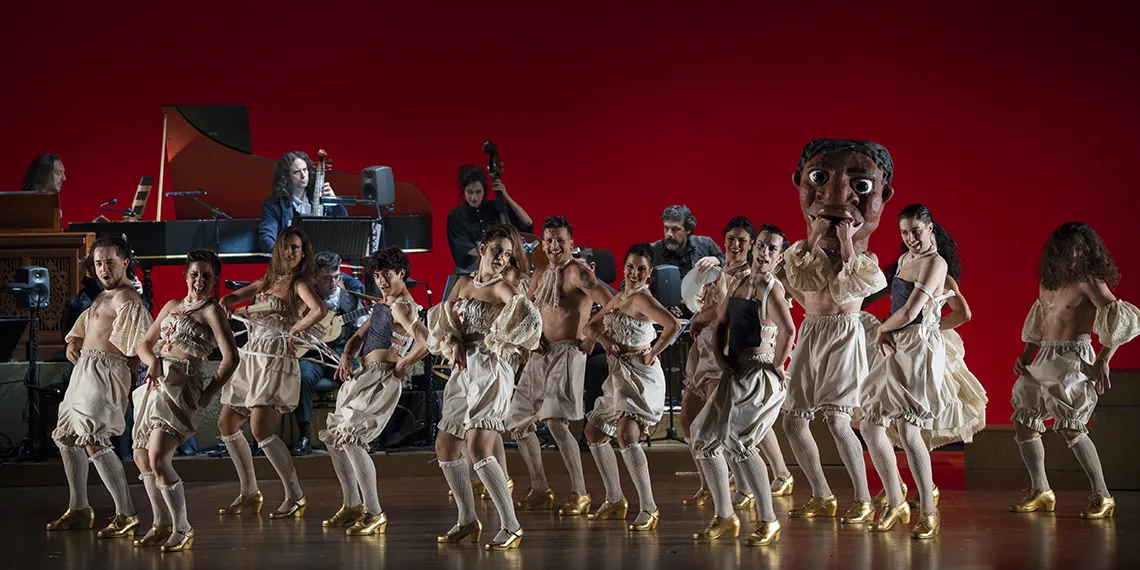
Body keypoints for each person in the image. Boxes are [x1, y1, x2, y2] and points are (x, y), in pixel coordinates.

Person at [780, 138, 893, 524]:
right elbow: (797, 279)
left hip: (844, 333)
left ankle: (862, 496)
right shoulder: (802, 252)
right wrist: (813, 236)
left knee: (838, 419)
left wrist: (845, 241)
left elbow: (855, 286)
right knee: (794, 419)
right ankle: (821, 493)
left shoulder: (865, 260)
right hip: (812, 331)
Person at [1009, 222, 1140, 519]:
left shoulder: (1089, 282)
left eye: (1080, 248)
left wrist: (1104, 359)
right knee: (1024, 420)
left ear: (1087, 251)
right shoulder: (1048, 282)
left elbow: (1119, 317)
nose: (1073, 254)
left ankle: (1103, 495)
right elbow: (1041, 321)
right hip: (1044, 356)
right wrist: (1027, 352)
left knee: (1071, 425)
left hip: (1073, 357)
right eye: (1068, 248)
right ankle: (1041, 490)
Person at [428, 225, 541, 551]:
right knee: (446, 446)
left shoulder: (503, 288)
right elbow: (444, 321)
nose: (502, 258)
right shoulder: (463, 283)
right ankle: (467, 520)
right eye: (497, 251)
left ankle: (511, 525)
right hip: (463, 371)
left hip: (491, 370)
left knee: (478, 447)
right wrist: (451, 342)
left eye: (507, 254)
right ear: (482, 249)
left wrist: (500, 341)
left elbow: (529, 320)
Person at [689, 223, 796, 546]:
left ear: (779, 258)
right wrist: (722, 360)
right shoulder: (739, 282)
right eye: (761, 245)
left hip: (758, 374)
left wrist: (776, 365)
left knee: (741, 443)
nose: (763, 252)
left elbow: (788, 331)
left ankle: (768, 520)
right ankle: (725, 516)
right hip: (734, 371)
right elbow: (722, 322)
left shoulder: (771, 288)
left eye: (771, 249)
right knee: (703, 437)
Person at [859, 204, 957, 539]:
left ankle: (929, 511)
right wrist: (886, 331)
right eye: (904, 232)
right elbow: (898, 306)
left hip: (914, 347)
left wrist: (882, 329)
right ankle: (896, 500)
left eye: (916, 230)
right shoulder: (904, 261)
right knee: (871, 423)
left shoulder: (936, 263)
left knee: (908, 428)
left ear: (931, 228)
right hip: (896, 342)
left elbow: (913, 311)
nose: (910, 238)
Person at [505, 216, 613, 516]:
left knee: (555, 421)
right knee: (516, 420)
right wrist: (532, 336)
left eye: (560, 240)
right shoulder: (539, 273)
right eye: (549, 240)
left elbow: (611, 302)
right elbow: (527, 309)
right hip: (541, 353)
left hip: (569, 352)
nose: (554, 246)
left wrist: (592, 334)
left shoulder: (579, 272)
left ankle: (580, 492)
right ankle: (540, 488)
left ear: (571, 243)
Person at [131, 250, 239, 551]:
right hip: (155, 382)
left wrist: (208, 393)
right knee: (141, 457)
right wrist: (152, 361)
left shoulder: (212, 311)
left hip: (182, 385)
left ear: (215, 280)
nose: (199, 281)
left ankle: (183, 527)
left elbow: (231, 358)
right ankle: (160, 522)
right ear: (185, 275)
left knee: (158, 458)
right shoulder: (172, 306)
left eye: (206, 276)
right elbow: (143, 344)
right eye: (194, 274)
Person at [217, 227, 328, 518]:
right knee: (227, 423)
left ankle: (295, 495)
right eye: (285, 247)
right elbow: (234, 297)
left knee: (260, 429)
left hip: (275, 357)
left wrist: (295, 330)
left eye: (295, 247)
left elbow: (319, 310)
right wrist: (227, 302)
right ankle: (249, 492)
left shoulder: (298, 283)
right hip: (252, 355)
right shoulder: (268, 281)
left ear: (303, 252)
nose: (290, 252)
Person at [47, 236, 153, 538]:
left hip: (106, 371)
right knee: (67, 437)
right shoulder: (103, 296)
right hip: (85, 370)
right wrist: (75, 341)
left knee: (94, 439)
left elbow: (140, 343)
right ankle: (79, 507)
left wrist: (132, 376)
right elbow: (88, 326)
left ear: (124, 263)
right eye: (98, 263)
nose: (104, 268)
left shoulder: (126, 298)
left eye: (109, 262)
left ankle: (126, 513)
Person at [320, 247, 430, 536]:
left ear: (401, 273)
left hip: (382, 380)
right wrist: (345, 354)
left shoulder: (403, 307)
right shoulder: (383, 304)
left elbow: (426, 341)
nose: (381, 281)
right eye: (378, 275)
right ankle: (352, 504)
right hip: (363, 376)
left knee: (352, 439)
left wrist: (405, 361)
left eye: (387, 275)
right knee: (335, 439)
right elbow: (358, 336)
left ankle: (374, 512)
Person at [582, 243, 681, 531]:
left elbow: (673, 325)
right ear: (624, 268)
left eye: (640, 269)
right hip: (618, 373)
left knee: (627, 434)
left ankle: (649, 506)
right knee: (593, 431)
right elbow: (590, 328)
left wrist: (653, 353)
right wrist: (605, 341)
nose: (634, 273)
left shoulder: (642, 299)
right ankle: (614, 497)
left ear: (648, 273)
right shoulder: (619, 297)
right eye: (630, 267)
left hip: (639, 374)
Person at [682, 217, 764, 507]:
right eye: (731, 238)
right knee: (688, 422)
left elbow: (721, 310)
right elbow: (699, 300)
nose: (736, 244)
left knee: (720, 427)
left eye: (742, 240)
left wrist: (700, 316)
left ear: (751, 244)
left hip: (723, 350)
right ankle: (707, 483)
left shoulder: (747, 275)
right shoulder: (718, 270)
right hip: (701, 349)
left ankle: (742, 488)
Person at [292, 251, 367, 455]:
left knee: (361, 378)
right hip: (313, 356)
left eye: (336, 277)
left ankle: (356, 434)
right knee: (303, 377)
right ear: (315, 276)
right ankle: (305, 435)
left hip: (341, 357)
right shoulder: (304, 297)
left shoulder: (351, 300)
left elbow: (363, 330)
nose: (333, 283)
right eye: (326, 278)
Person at [446, 164, 534, 273]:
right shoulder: (455, 216)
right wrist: (492, 259)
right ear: (463, 191)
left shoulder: (496, 207)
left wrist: (505, 195)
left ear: (484, 191)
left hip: (502, 266)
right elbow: (463, 249)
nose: (474, 197)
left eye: (478, 192)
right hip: (472, 271)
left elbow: (527, 222)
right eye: (470, 192)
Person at [258, 151, 348, 253]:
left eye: (305, 170)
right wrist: (284, 255)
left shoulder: (319, 198)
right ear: (286, 177)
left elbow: (344, 225)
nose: (303, 175)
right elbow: (266, 238)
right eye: (297, 172)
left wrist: (334, 201)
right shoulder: (273, 205)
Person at [651, 205, 725, 282]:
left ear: (688, 230)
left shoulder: (706, 243)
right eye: (666, 228)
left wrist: (717, 260)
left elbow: (729, 262)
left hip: (701, 293)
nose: (669, 234)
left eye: (675, 229)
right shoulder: (653, 250)